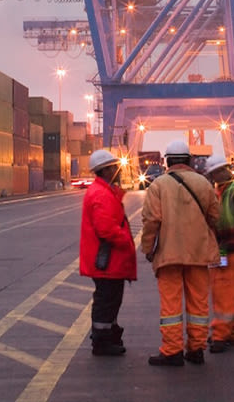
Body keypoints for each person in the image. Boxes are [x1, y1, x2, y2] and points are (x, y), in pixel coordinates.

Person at [141, 140, 220, 366]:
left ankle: (172, 351)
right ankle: (196, 349)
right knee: (198, 304)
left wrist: (148, 249)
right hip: (198, 252)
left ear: (167, 161)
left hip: (169, 254)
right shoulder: (203, 183)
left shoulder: (158, 185)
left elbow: (151, 221)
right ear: (189, 160)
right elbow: (215, 216)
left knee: (171, 306)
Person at [79, 149, 137, 357]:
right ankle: (102, 342)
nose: (118, 170)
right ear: (106, 170)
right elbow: (105, 228)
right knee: (107, 300)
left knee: (110, 300)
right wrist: (126, 242)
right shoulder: (101, 194)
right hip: (107, 261)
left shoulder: (104, 191)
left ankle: (108, 336)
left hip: (109, 261)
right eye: (114, 167)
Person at [203, 154, 234, 352]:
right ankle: (232, 333)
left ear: (225, 169)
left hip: (233, 248)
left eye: (217, 171)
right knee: (223, 289)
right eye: (213, 173)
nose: (216, 175)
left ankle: (220, 335)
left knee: (223, 290)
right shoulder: (222, 190)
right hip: (223, 248)